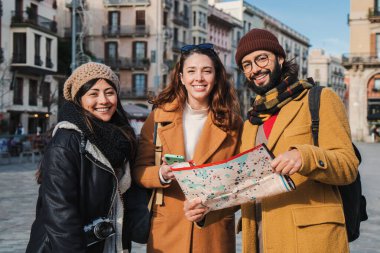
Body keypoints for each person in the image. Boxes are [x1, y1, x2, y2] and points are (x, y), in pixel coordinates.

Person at [185, 29, 359, 252]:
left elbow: (348, 165)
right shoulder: (251, 123)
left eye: (261, 58)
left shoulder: (319, 99)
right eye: (246, 64)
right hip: (259, 241)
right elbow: (245, 187)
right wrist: (206, 210)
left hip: (311, 241)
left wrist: (304, 156)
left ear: (280, 58)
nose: (255, 69)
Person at [133, 43, 242, 253]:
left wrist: (211, 207)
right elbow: (139, 171)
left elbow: (242, 185)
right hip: (166, 233)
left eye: (206, 71)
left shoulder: (234, 124)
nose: (198, 78)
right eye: (191, 71)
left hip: (213, 234)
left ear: (217, 76)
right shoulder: (157, 118)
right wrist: (162, 174)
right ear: (181, 77)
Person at [26, 62, 138, 253]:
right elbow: (60, 215)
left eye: (109, 92)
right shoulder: (67, 141)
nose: (103, 100)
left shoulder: (121, 139)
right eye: (93, 94)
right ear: (79, 99)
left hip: (107, 245)